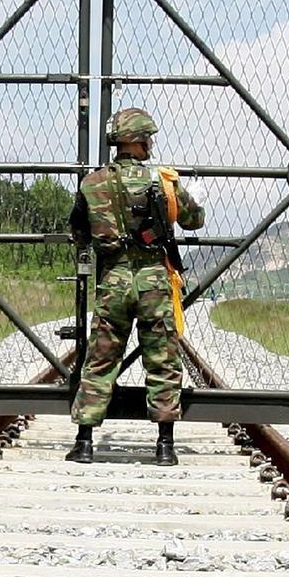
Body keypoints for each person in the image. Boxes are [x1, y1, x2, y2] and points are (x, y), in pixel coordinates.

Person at [65, 107, 206, 467]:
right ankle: (164, 446)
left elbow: (79, 232)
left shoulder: (92, 183)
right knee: (162, 359)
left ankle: (84, 442)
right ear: (141, 141)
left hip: (113, 282)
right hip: (153, 282)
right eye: (148, 139)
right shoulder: (163, 181)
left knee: (99, 360)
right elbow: (194, 220)